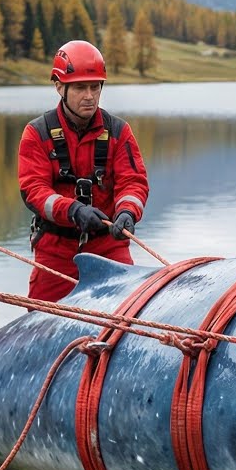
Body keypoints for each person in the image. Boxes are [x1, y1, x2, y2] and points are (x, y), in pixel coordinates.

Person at [18, 40, 149, 302]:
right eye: (79, 87)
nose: (89, 96)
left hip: (109, 248)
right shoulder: (37, 133)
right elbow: (33, 191)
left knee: (131, 316)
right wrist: (73, 211)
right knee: (42, 327)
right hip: (55, 251)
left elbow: (133, 183)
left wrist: (127, 212)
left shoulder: (119, 132)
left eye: (95, 87)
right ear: (59, 87)